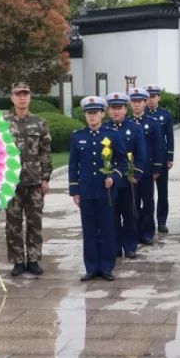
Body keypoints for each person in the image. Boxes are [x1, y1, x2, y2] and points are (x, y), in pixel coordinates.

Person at [69, 96, 127, 281]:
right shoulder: (77, 137)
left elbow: (123, 162)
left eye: (95, 113)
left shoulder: (112, 135)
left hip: (106, 191)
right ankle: (92, 267)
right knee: (89, 230)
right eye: (89, 113)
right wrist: (75, 191)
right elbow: (73, 166)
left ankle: (107, 266)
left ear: (102, 114)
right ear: (85, 115)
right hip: (86, 191)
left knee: (108, 229)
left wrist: (114, 177)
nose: (92, 116)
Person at [3, 82, 52, 277]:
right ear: (12, 97)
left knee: (35, 222)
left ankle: (33, 260)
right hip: (11, 182)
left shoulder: (39, 122)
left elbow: (45, 152)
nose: (22, 98)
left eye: (25, 94)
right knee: (13, 224)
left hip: (34, 181)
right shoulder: (2, 122)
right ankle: (17, 261)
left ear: (30, 97)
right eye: (18, 94)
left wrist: (46, 178)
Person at [103, 92, 148, 259]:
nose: (116, 112)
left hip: (128, 180)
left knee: (129, 214)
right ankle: (114, 246)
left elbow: (141, 155)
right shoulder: (104, 128)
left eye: (120, 108)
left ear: (125, 109)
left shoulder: (134, 128)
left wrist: (136, 175)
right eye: (113, 108)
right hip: (110, 181)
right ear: (108, 111)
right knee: (111, 215)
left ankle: (130, 246)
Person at [128, 88, 162, 245]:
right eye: (134, 102)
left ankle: (147, 232)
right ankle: (134, 231)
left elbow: (158, 146)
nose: (137, 105)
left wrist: (156, 168)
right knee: (133, 203)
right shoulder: (127, 123)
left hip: (147, 170)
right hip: (131, 170)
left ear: (145, 103)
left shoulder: (152, 123)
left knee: (148, 201)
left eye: (140, 102)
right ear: (130, 103)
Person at [145, 85, 175, 234]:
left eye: (154, 96)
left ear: (159, 98)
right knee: (147, 193)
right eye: (149, 97)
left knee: (163, 192)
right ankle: (147, 220)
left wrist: (170, 156)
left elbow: (169, 137)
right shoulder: (140, 115)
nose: (151, 100)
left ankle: (162, 221)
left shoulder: (165, 115)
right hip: (145, 159)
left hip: (161, 158)